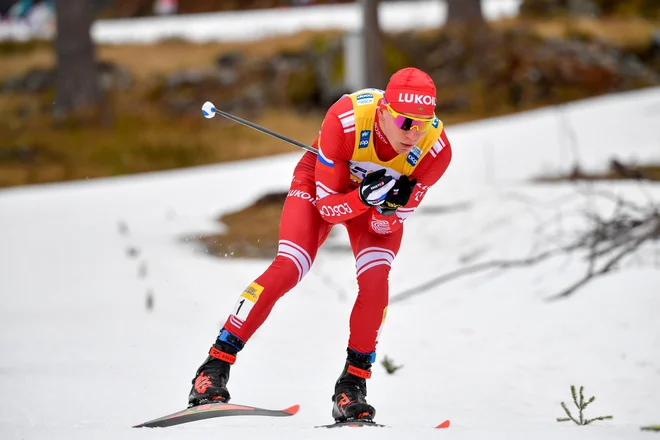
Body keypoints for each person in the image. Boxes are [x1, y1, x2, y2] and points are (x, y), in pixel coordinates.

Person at [188, 67, 453, 423]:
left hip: (370, 202)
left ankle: (351, 387)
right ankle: (214, 368)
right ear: (385, 111)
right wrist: (361, 195)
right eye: (406, 122)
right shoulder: (345, 119)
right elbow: (329, 209)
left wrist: (387, 205)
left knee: (376, 284)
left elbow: (382, 226)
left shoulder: (435, 151)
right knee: (289, 267)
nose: (414, 134)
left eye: (423, 123)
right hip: (323, 183)